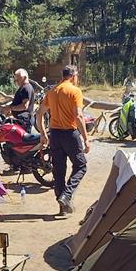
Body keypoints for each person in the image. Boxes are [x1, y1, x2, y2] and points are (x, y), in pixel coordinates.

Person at [36, 65, 90, 216]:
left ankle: (63, 208)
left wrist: (42, 134)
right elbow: (78, 116)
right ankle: (67, 195)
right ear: (73, 76)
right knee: (81, 166)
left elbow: (39, 114)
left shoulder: (52, 91)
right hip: (70, 134)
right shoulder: (75, 91)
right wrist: (86, 138)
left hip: (55, 134)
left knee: (59, 171)